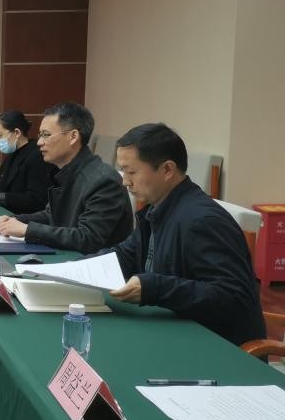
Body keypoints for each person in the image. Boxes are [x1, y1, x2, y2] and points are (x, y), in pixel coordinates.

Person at [105, 123, 265, 345]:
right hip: (174, 330)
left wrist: (155, 288)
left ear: (167, 170)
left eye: (131, 172)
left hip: (215, 345)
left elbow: (233, 297)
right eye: (123, 171)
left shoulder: (203, 220)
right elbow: (126, 254)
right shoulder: (157, 207)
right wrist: (75, 271)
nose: (125, 181)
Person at [0, 102, 132, 253]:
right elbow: (52, 216)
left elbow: (88, 238)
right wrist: (17, 220)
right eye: (40, 135)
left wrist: (27, 230)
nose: (39, 142)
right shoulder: (66, 171)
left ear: (73, 137)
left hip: (92, 264)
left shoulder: (103, 180)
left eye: (46, 135)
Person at [0, 110, 53, 214]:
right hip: (4, 213)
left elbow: (37, 199)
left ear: (17, 133)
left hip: (23, 218)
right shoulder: (12, 155)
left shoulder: (37, 156)